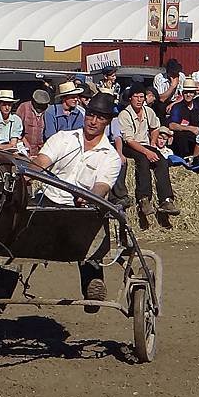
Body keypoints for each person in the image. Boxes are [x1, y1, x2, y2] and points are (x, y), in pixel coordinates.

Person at [32, 93, 121, 310]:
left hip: (81, 210)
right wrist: (31, 171)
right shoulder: (63, 138)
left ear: (107, 121)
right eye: (90, 114)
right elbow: (42, 161)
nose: (93, 121)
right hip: (49, 202)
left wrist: (91, 195)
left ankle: (92, 282)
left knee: (92, 229)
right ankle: (3, 282)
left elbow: (102, 186)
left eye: (100, 118)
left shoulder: (111, 157)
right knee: (20, 228)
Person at [118, 82, 180, 217]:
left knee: (162, 161)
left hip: (145, 143)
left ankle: (166, 200)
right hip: (129, 145)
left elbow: (155, 127)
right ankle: (143, 198)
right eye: (136, 97)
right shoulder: (124, 114)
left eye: (142, 97)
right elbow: (129, 140)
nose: (139, 100)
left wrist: (152, 143)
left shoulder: (148, 111)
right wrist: (147, 152)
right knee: (143, 160)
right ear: (130, 98)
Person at [168, 77, 199, 157]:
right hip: (182, 139)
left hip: (197, 137)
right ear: (182, 93)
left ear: (194, 94)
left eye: (191, 92)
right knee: (180, 136)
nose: (188, 95)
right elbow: (172, 125)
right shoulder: (177, 107)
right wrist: (191, 128)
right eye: (186, 92)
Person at [16, 89, 50, 157]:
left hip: (43, 149)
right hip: (25, 147)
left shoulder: (49, 110)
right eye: (39, 104)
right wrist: (24, 143)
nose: (40, 106)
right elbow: (16, 129)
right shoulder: (23, 107)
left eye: (42, 105)